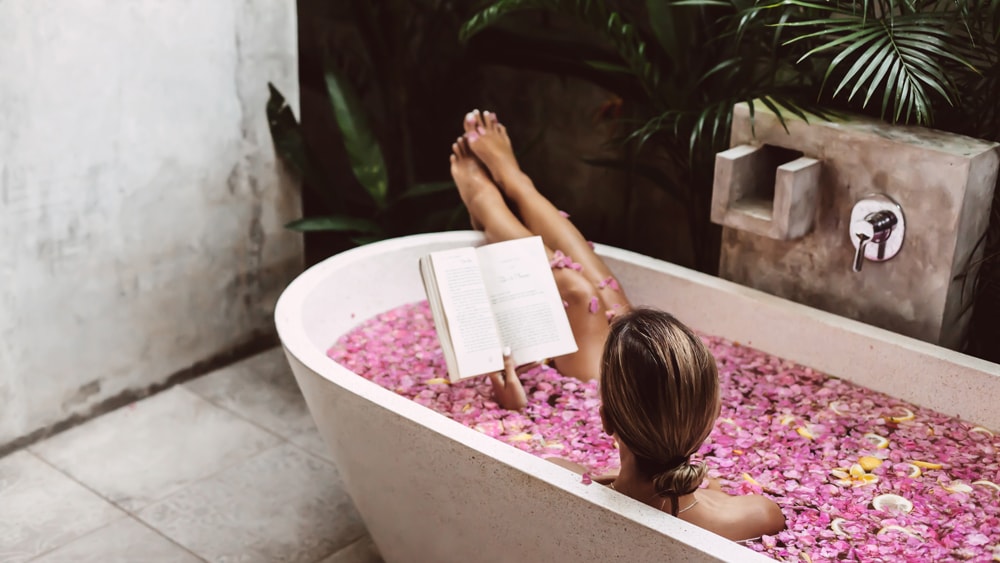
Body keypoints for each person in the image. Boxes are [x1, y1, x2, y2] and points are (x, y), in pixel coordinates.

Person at [449, 110, 786, 542]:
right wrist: (693, 486)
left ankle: (490, 202)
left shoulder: (565, 477)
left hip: (635, 439)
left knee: (579, 290)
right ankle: (514, 184)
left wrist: (516, 407)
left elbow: (594, 479)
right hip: (670, 462)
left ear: (605, 416)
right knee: (608, 300)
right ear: (709, 418)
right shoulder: (757, 516)